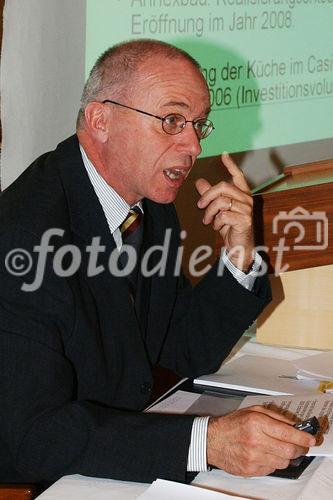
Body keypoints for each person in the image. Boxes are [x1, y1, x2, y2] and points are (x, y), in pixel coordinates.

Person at [0, 39, 315, 487]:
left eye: (198, 124)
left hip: (112, 454)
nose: (191, 144)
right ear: (101, 119)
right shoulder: (24, 238)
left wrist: (240, 253)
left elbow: (185, 348)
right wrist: (206, 443)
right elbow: (34, 437)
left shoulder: (147, 205)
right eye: (171, 120)